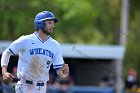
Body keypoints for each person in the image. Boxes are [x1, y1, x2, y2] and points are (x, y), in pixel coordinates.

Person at [1, 10, 69, 93]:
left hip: (42, 88)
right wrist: (4, 72)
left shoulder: (55, 45)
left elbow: (60, 71)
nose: (53, 26)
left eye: (53, 23)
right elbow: (6, 53)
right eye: (49, 22)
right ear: (40, 23)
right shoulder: (26, 40)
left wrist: (63, 72)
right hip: (24, 86)